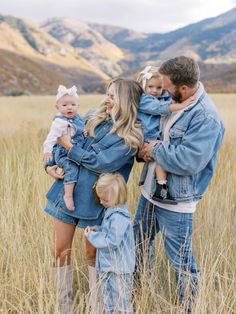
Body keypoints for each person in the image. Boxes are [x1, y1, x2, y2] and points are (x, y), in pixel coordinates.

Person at [44, 78, 143, 313]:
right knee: (60, 252)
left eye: (113, 96)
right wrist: (50, 163)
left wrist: (70, 148)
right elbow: (59, 134)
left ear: (126, 101)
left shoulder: (130, 137)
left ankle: (98, 306)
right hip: (66, 192)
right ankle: (63, 306)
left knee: (94, 255)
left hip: (97, 199)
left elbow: (102, 163)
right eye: (107, 94)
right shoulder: (90, 117)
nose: (107, 100)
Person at [133, 56, 224, 309]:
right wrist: (144, 150)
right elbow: (152, 134)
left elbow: (188, 160)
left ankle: (189, 308)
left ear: (182, 88)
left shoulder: (206, 117)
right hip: (150, 192)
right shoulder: (174, 101)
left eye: (166, 86)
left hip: (176, 201)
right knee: (137, 243)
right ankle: (138, 296)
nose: (162, 90)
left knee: (181, 262)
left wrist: (155, 149)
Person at [137, 65, 194, 204]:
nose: (155, 91)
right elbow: (160, 108)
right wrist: (182, 105)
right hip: (147, 137)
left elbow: (169, 96)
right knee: (160, 156)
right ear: (143, 85)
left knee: (159, 158)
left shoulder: (161, 96)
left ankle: (160, 188)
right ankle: (162, 186)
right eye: (150, 86)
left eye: (159, 87)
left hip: (156, 136)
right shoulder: (143, 100)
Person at [84, 173, 135, 314]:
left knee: (121, 304)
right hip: (110, 266)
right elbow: (109, 231)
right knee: (109, 301)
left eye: (104, 200)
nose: (101, 203)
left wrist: (92, 236)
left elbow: (112, 241)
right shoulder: (112, 211)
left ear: (115, 198)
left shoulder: (119, 216)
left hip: (119, 268)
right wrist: (98, 229)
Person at [43, 85, 85, 211]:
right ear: (58, 107)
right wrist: (47, 151)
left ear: (78, 105)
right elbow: (51, 138)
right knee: (71, 168)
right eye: (65, 105)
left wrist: (84, 133)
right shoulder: (59, 122)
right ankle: (68, 195)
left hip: (75, 150)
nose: (69, 107)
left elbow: (81, 131)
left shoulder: (78, 118)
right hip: (63, 154)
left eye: (73, 104)